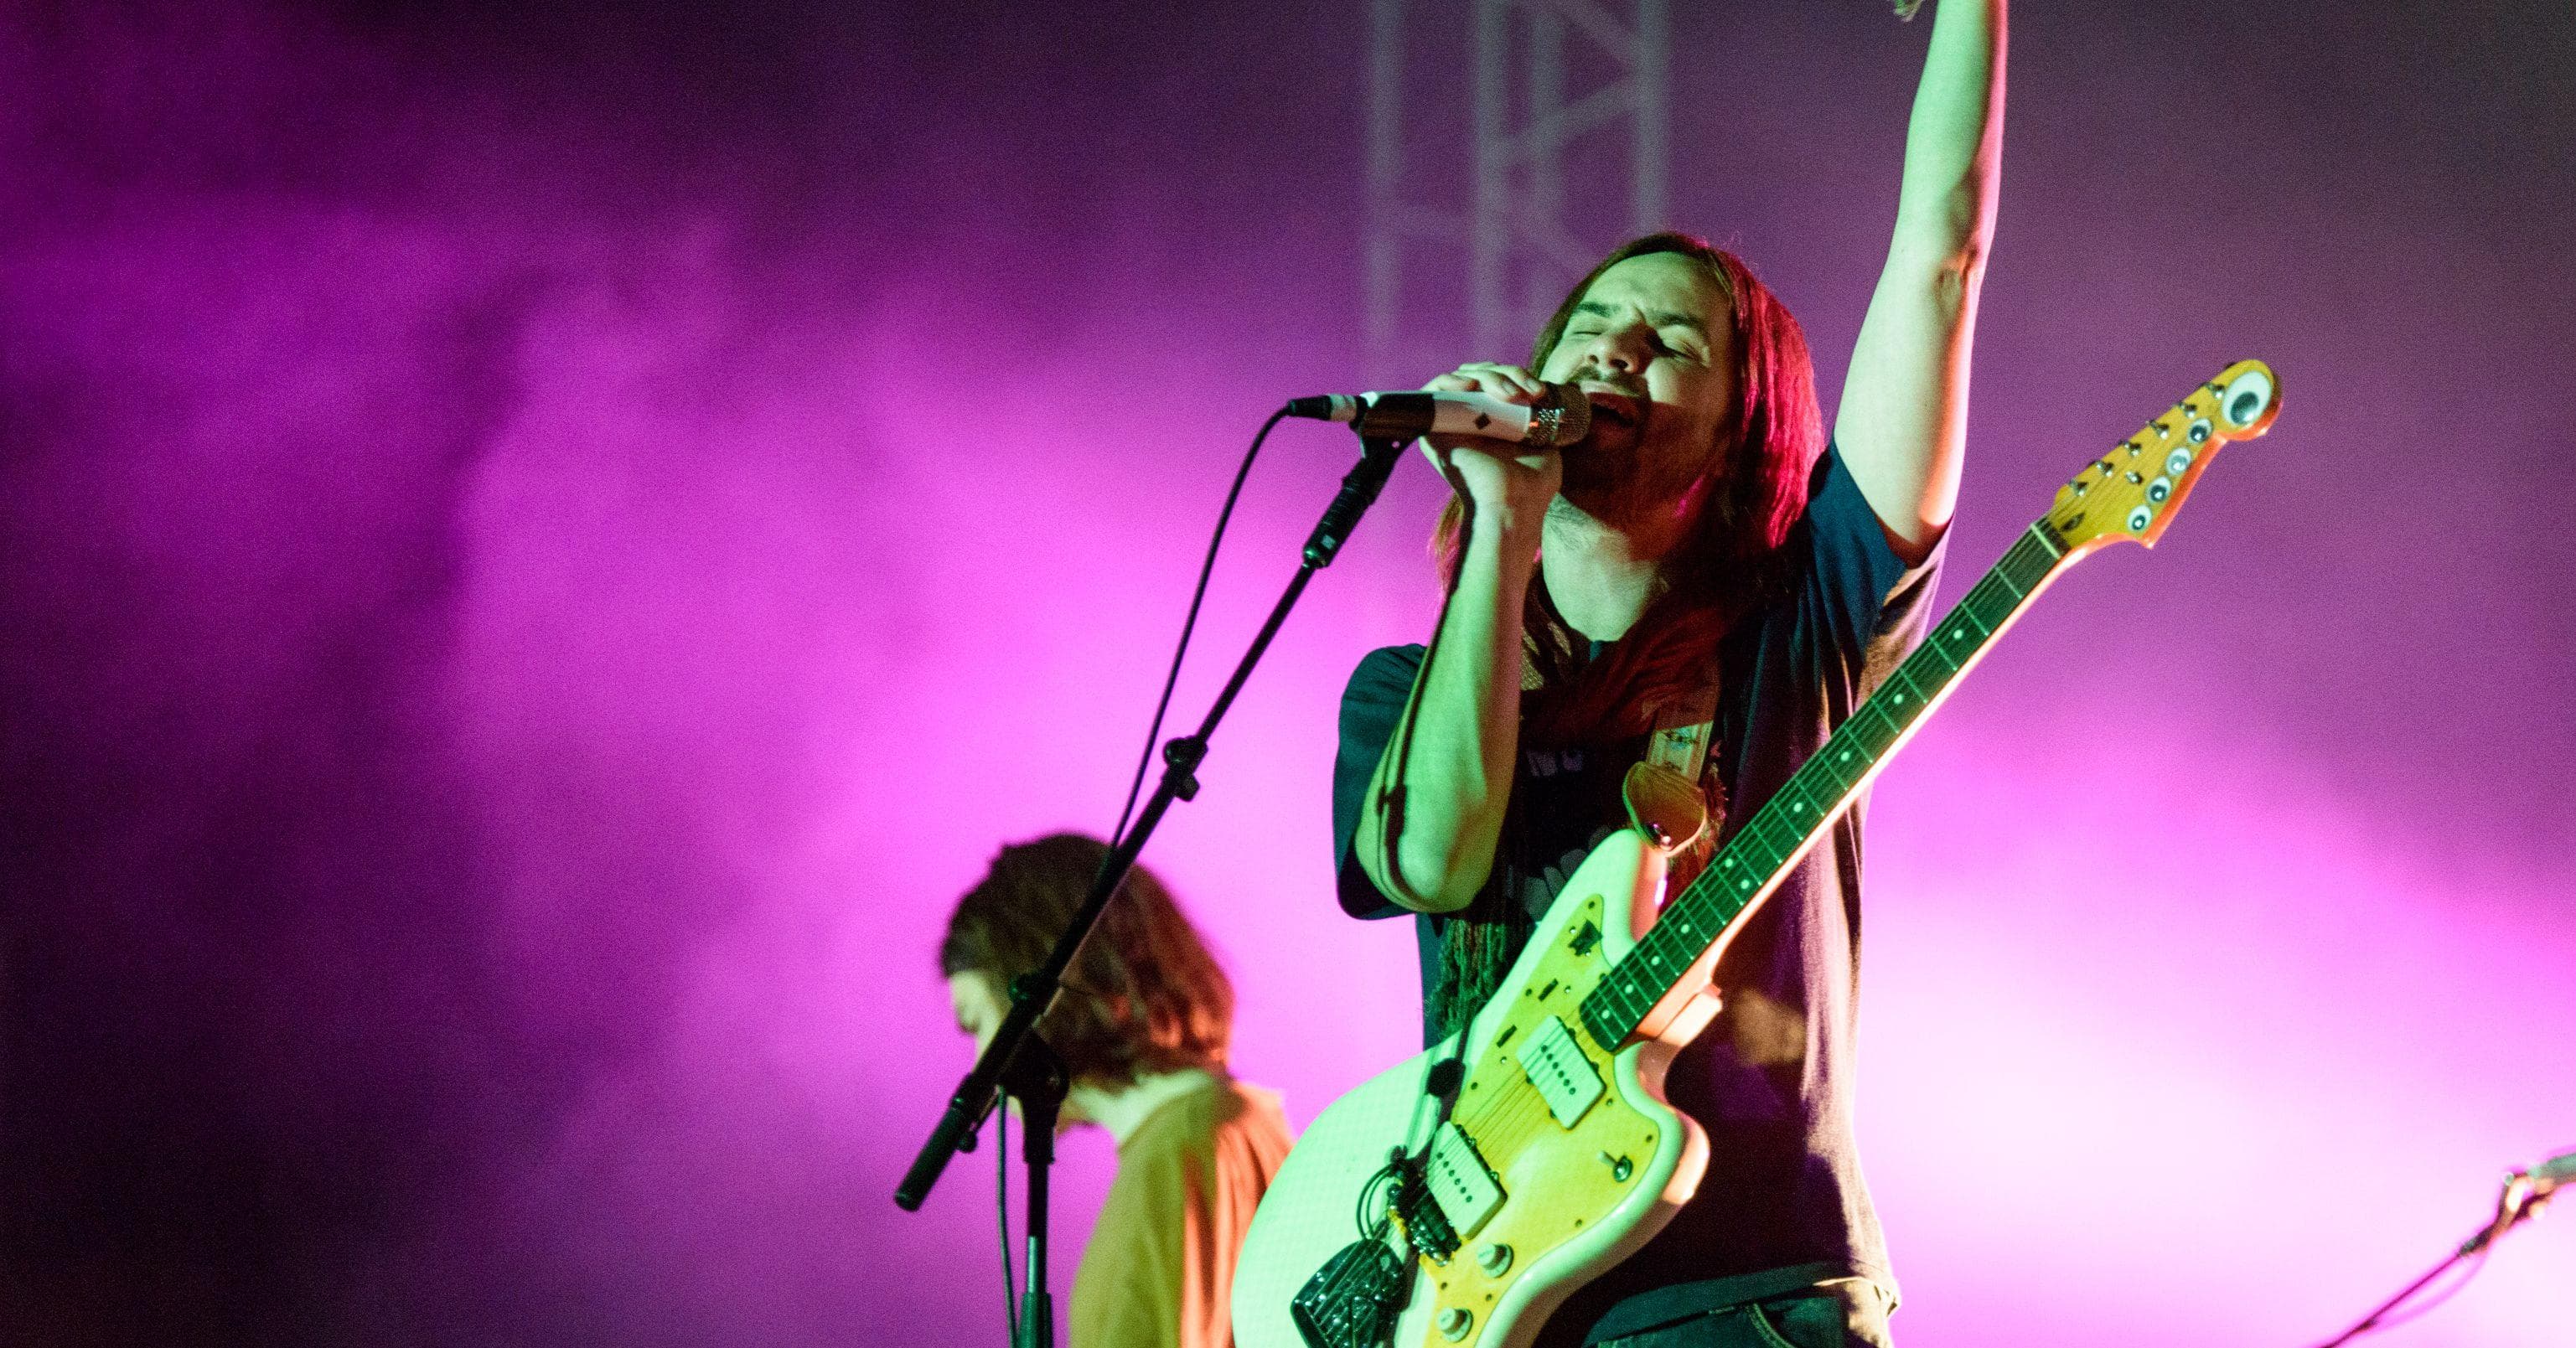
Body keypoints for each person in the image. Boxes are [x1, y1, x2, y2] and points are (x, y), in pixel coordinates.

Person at [1330, 3, 2005, 1345]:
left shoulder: (1803, 628)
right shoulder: (1402, 688)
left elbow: (1940, 259)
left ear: (1741, 425)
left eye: (1670, 341)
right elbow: (1436, 865)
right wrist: (1503, 527)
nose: (1613, 347)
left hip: (1734, 1294)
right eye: (1590, 319)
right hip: (1487, 1297)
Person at [941, 834, 1294, 1348]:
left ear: (1049, 997)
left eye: (976, 1022)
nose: (980, 1066)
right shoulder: (1223, 1126)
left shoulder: (1181, 1152)